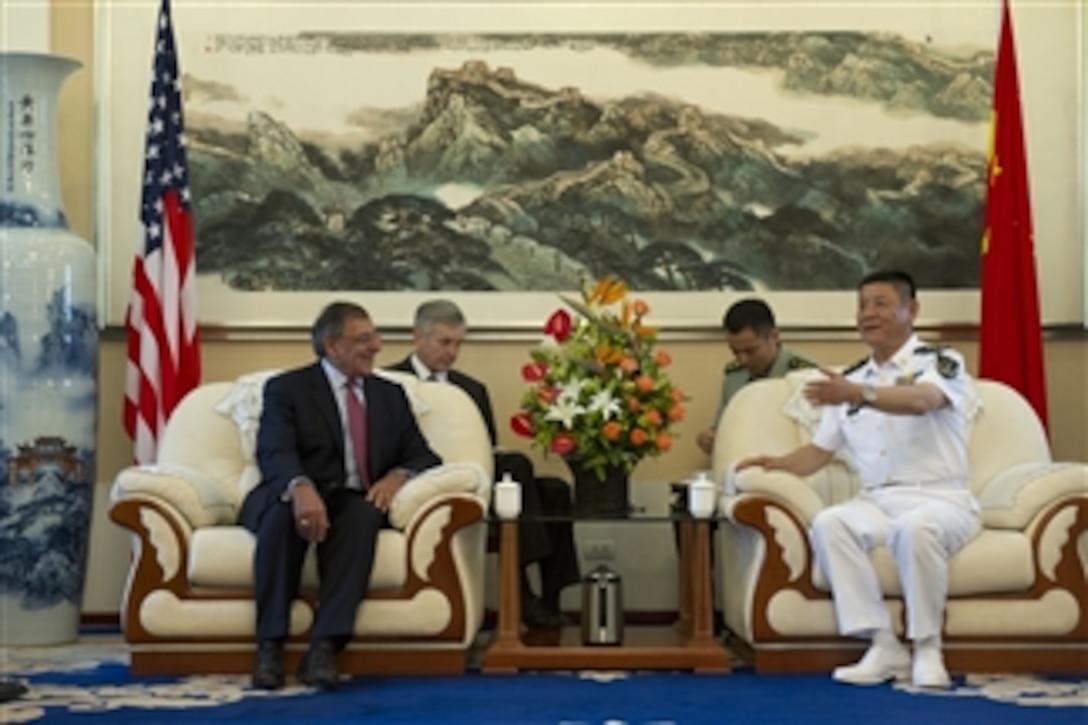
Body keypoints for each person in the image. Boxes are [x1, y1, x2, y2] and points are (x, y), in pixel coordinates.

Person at [736, 270, 980, 689]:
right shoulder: (851, 380)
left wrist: (858, 395)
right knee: (831, 524)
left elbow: (923, 402)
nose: (868, 314)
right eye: (863, 305)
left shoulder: (941, 363)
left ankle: (927, 646)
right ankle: (883, 643)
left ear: (912, 310)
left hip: (941, 498)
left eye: (881, 304)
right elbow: (819, 452)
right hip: (878, 500)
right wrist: (774, 465)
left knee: (915, 529)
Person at [240, 301, 441, 690]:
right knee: (284, 517)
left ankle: (325, 647)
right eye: (363, 339)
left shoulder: (390, 395)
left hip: (351, 497)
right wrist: (300, 486)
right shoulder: (288, 389)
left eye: (375, 336)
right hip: (292, 490)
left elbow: (422, 454)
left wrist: (397, 476)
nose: (377, 347)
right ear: (332, 346)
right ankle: (270, 645)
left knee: (365, 516)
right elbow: (274, 451)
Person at [386, 299, 580, 629]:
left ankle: (550, 597)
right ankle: (522, 595)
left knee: (554, 490)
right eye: (444, 342)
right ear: (419, 337)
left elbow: (485, 446)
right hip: (425, 478)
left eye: (458, 343)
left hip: (475, 476)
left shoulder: (472, 389)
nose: (452, 352)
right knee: (516, 467)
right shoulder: (391, 382)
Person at [695, 298, 818, 456]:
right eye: (735, 352)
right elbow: (723, 429)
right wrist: (711, 439)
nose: (743, 360)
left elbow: (816, 440)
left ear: (774, 336)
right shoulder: (734, 376)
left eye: (751, 351)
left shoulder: (804, 373)